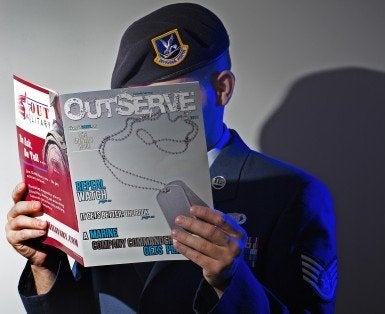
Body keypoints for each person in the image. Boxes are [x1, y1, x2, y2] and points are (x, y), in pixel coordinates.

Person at [6, 3, 337, 313]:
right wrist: (44, 266)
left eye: (174, 102)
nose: (154, 117)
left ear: (222, 89)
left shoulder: (294, 195)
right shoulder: (97, 182)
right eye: (137, 105)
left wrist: (230, 282)